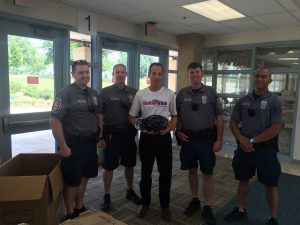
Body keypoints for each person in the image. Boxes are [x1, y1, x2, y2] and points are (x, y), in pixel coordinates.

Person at [224, 67, 283, 225]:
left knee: (270, 184)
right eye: (257, 76)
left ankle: (273, 218)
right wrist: (242, 139)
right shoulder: (243, 100)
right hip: (245, 150)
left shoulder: (275, 100)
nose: (259, 79)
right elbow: (233, 123)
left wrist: (252, 141)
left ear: (269, 80)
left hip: (266, 150)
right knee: (243, 180)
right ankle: (241, 210)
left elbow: (276, 127)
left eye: (263, 76)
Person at [50, 60, 100, 220]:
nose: (85, 75)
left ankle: (80, 206)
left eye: (87, 72)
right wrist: (63, 146)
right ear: (73, 74)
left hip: (90, 143)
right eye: (81, 72)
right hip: (73, 145)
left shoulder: (93, 93)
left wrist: (100, 136)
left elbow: (98, 116)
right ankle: (70, 212)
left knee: (85, 177)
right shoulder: (64, 94)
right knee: (72, 180)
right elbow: (54, 120)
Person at [175, 62, 224, 225]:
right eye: (191, 73)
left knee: (208, 173)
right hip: (188, 140)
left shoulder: (210, 93)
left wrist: (219, 139)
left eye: (197, 72)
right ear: (188, 75)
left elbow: (219, 117)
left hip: (206, 140)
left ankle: (208, 206)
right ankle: (195, 200)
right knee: (191, 170)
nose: (194, 75)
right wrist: (178, 131)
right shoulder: (182, 94)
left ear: (202, 74)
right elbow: (177, 117)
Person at [129, 62, 177, 221]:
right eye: (153, 73)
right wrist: (140, 128)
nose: (156, 77)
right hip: (147, 139)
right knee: (145, 173)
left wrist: (170, 128)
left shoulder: (170, 94)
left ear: (163, 75)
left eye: (159, 74)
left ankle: (165, 206)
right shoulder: (140, 94)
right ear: (149, 75)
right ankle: (145, 202)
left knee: (165, 174)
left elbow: (175, 116)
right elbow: (132, 116)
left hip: (163, 139)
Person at [98, 64, 141, 211]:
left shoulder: (135, 93)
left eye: (123, 72)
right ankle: (106, 195)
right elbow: (100, 116)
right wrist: (100, 136)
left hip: (129, 135)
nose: (120, 74)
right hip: (111, 136)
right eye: (118, 72)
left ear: (126, 74)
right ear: (113, 73)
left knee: (129, 165)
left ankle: (129, 190)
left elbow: (139, 114)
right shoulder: (105, 92)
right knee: (108, 166)